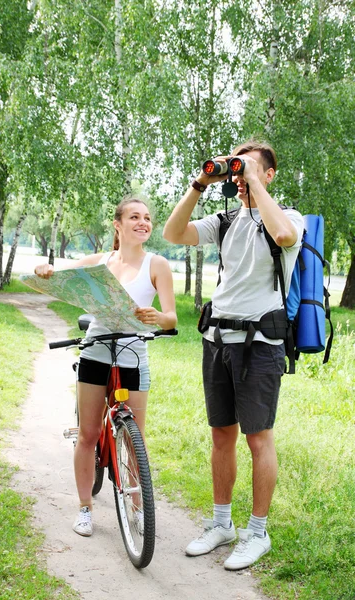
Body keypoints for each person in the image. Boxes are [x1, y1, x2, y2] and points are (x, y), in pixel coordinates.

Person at [163, 140, 303, 570]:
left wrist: (255, 184)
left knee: (258, 438)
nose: (241, 178)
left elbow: (284, 236)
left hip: (261, 345)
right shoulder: (223, 221)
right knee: (221, 434)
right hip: (217, 340)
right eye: (237, 172)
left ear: (270, 175)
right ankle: (222, 524)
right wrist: (201, 182)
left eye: (251, 170)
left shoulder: (287, 217)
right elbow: (172, 233)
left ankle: (257, 533)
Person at [35, 197, 177, 537]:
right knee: (87, 435)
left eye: (146, 218)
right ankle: (85, 508)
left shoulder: (157, 265)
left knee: (134, 442)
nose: (142, 222)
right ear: (118, 224)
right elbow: (58, 275)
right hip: (96, 351)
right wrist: (45, 268)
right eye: (134, 217)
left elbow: (171, 317)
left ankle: (138, 509)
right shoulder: (100, 262)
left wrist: (158, 317)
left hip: (133, 355)